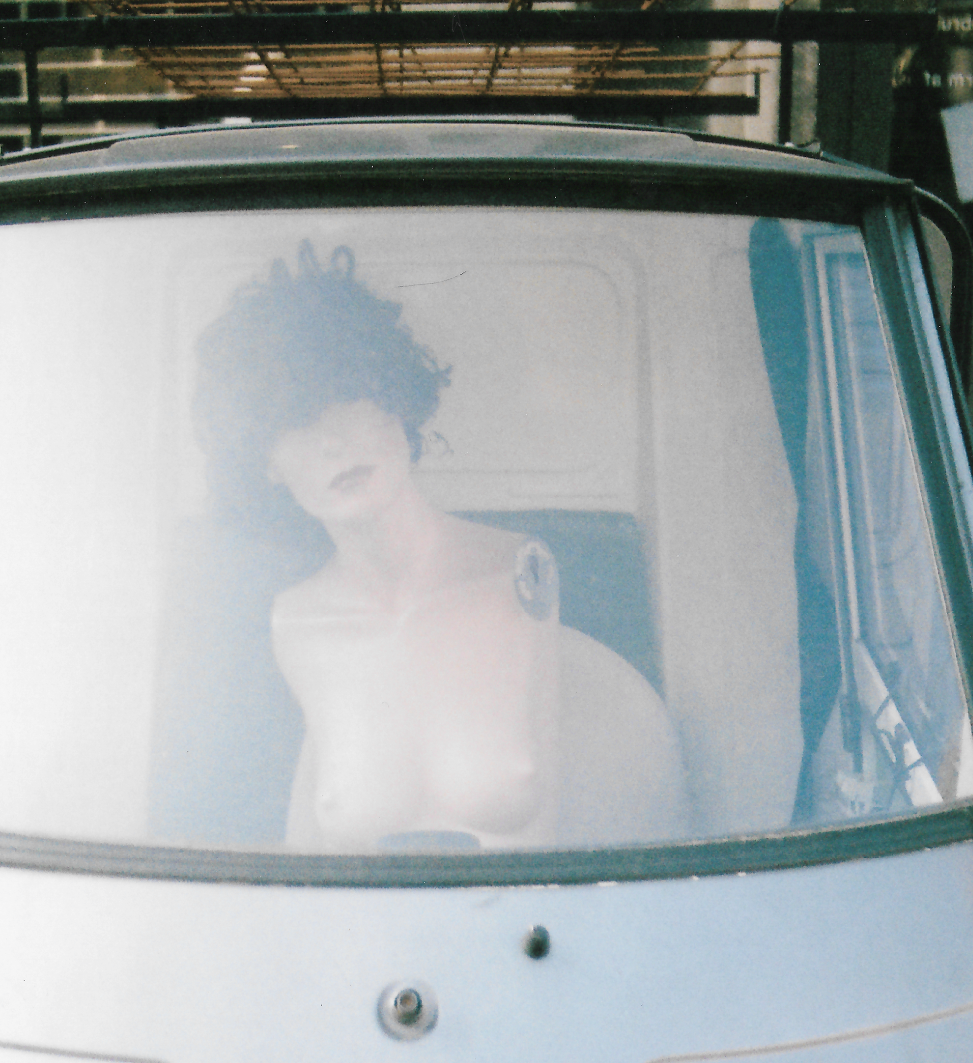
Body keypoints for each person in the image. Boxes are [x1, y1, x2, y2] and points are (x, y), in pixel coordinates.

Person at [194, 245, 692, 852]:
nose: (331, 443)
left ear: (396, 399)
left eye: (348, 398)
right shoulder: (294, 623)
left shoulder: (519, 573)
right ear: (265, 463)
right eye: (294, 422)